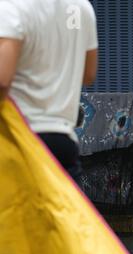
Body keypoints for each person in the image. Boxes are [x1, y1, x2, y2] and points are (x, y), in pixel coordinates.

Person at [0, 0, 98, 185]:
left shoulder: (11, 6)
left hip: (18, 138)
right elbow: (88, 74)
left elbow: (2, 81)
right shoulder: (82, 7)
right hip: (63, 140)